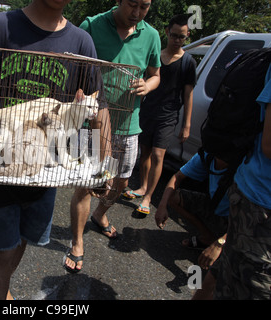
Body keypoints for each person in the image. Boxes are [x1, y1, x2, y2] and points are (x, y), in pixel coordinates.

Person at [0, 0, 105, 299]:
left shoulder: (81, 41)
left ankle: (3, 290)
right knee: (3, 248)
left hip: (43, 171)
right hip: (2, 165)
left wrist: (99, 161)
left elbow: (102, 109)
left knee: (22, 239)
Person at [65, 0, 161, 273]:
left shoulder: (151, 35)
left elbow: (156, 75)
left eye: (144, 7)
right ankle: (77, 242)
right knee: (88, 182)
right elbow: (72, 69)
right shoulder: (92, 25)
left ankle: (100, 214)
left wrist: (148, 85)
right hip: (92, 124)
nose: (137, 13)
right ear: (119, 0)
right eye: (133, 5)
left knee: (120, 182)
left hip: (129, 124)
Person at [123, 14, 196, 216]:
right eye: (174, 35)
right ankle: (142, 187)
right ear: (167, 32)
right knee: (144, 152)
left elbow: (188, 95)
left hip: (169, 115)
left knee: (157, 154)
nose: (177, 40)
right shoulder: (156, 56)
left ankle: (147, 198)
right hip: (148, 110)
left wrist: (186, 125)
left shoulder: (188, 62)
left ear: (187, 36)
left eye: (182, 37)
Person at [209, 63, 271, 300]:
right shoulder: (203, 159)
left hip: (248, 201)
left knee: (226, 275)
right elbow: (269, 145)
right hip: (259, 205)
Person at [155, 152, 229, 270]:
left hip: (238, 220)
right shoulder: (207, 154)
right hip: (216, 206)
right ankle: (207, 237)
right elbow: (177, 176)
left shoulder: (244, 165)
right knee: (173, 197)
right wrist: (162, 206)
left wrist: (219, 244)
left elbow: (249, 219)